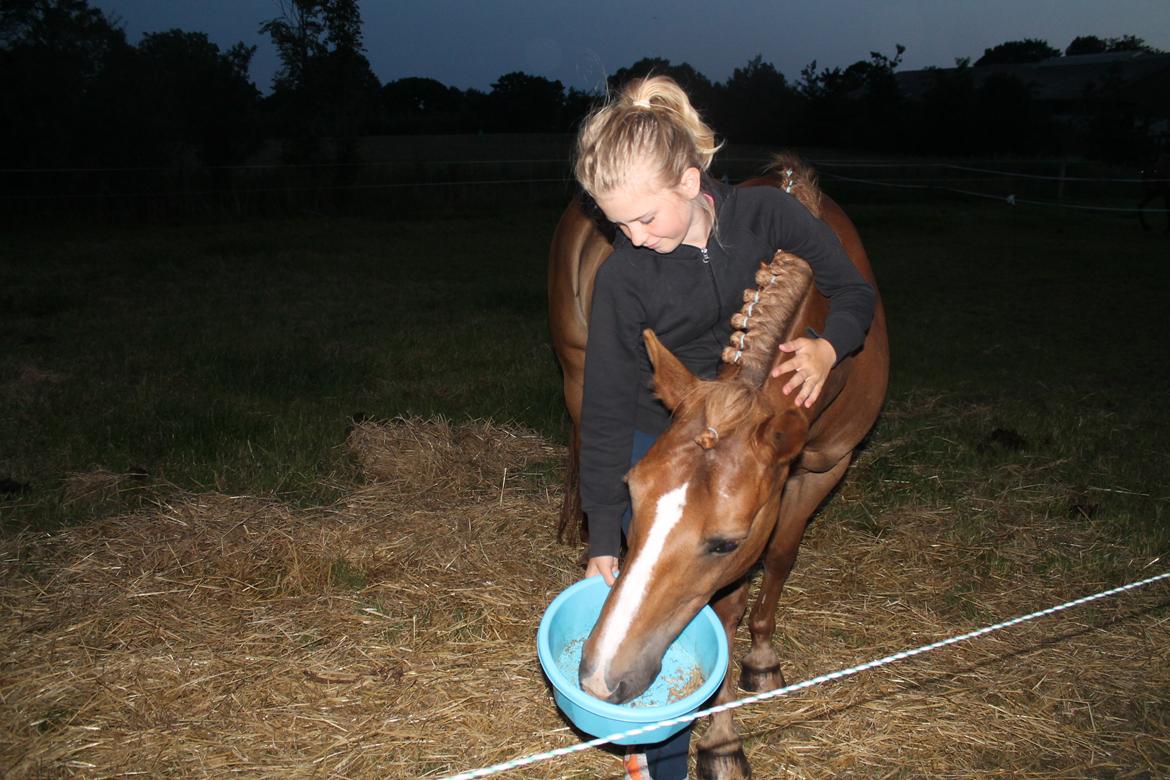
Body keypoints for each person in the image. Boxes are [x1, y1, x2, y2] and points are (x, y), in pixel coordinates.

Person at [573, 75, 875, 779]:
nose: (631, 238)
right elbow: (608, 404)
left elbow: (854, 288)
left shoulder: (767, 218)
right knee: (660, 567)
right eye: (616, 224)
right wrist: (600, 532)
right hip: (667, 425)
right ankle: (665, 757)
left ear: (689, 179)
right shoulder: (625, 277)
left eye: (644, 218)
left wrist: (834, 345)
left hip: (744, 423)